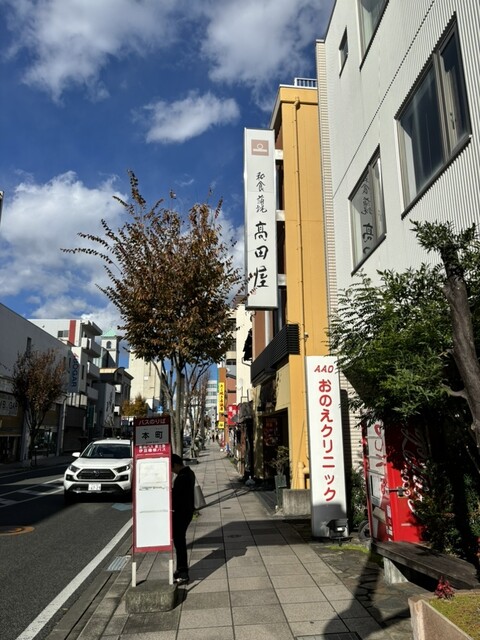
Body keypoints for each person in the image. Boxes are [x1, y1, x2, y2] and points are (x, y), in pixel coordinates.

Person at [171, 453, 196, 584]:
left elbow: (176, 497)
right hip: (187, 511)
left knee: (179, 542)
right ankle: (181, 569)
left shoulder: (181, 477)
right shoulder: (189, 473)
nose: (172, 471)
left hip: (181, 513)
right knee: (179, 541)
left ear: (176, 465)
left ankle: (183, 571)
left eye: (172, 468)